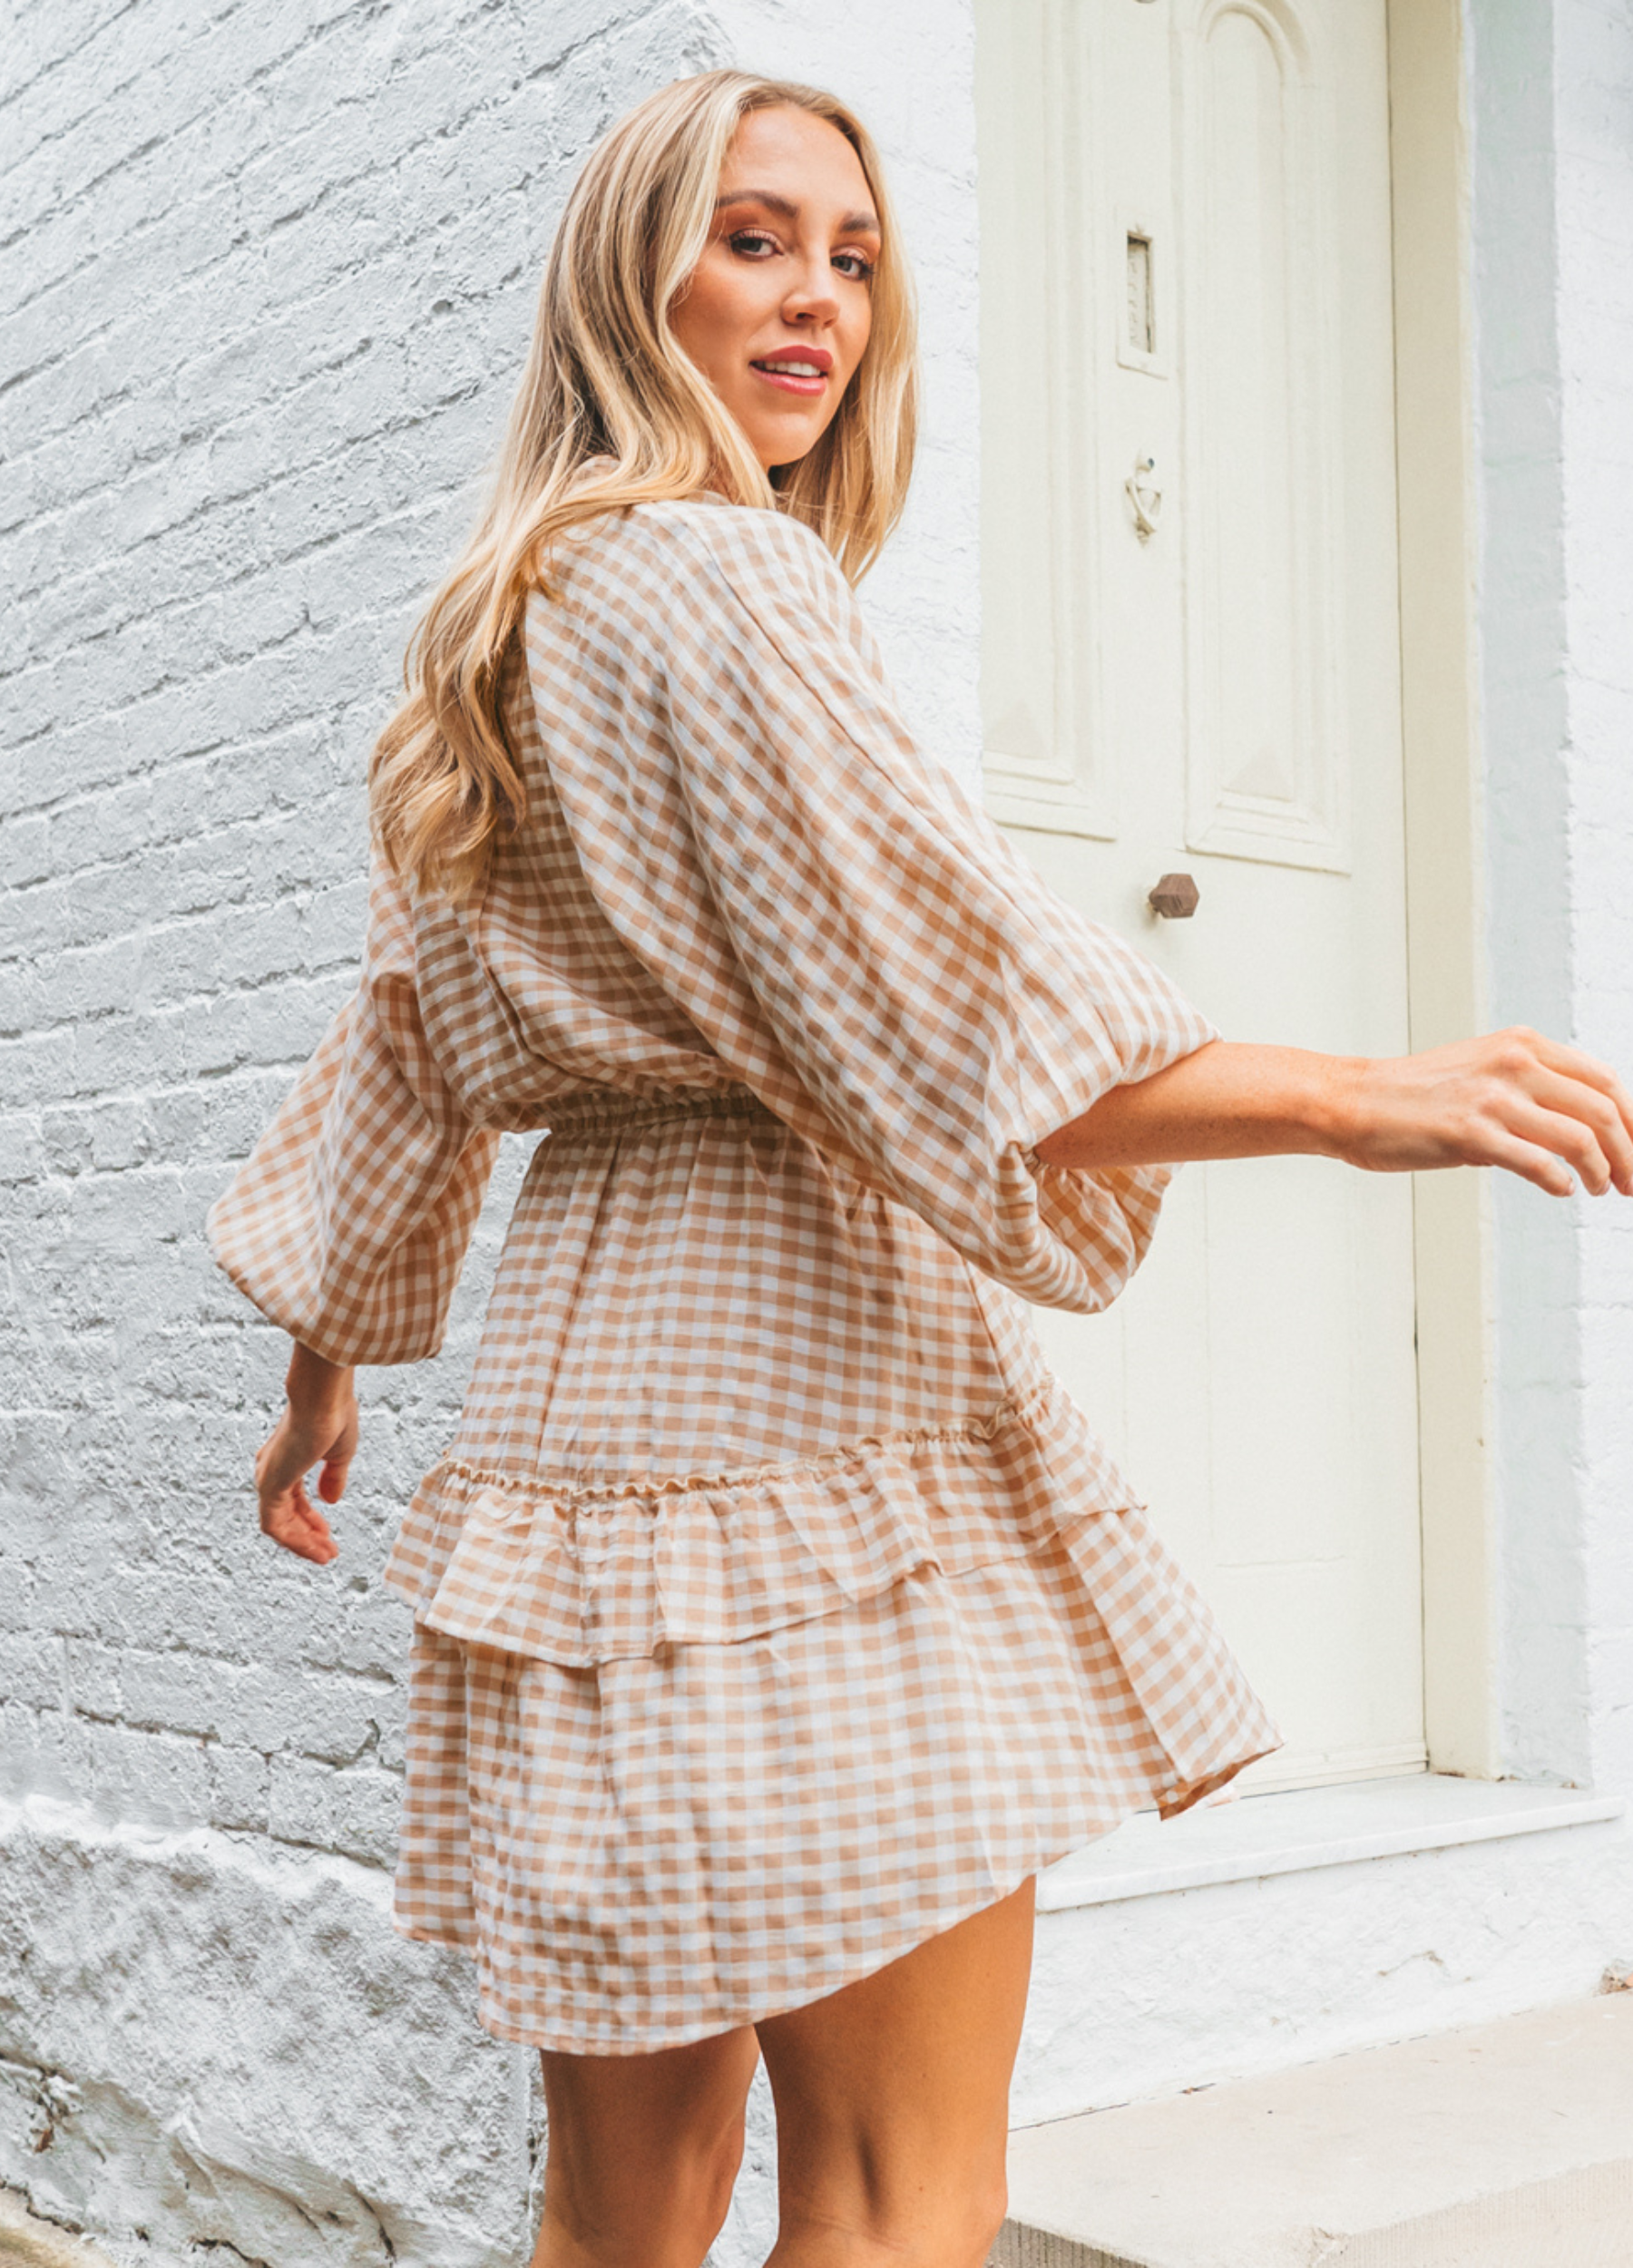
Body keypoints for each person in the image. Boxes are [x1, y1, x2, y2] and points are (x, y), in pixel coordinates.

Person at [208, 69, 1633, 2268]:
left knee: (621, 2208)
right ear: (628, 267)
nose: (816, 304)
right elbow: (952, 1008)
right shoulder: (726, 581)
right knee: (897, 2194)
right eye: (755, 238)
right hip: (807, 1416)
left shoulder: (494, 627)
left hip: (577, 1421)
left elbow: (401, 1043)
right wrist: (1365, 1095)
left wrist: (330, 1348)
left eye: (855, 257)